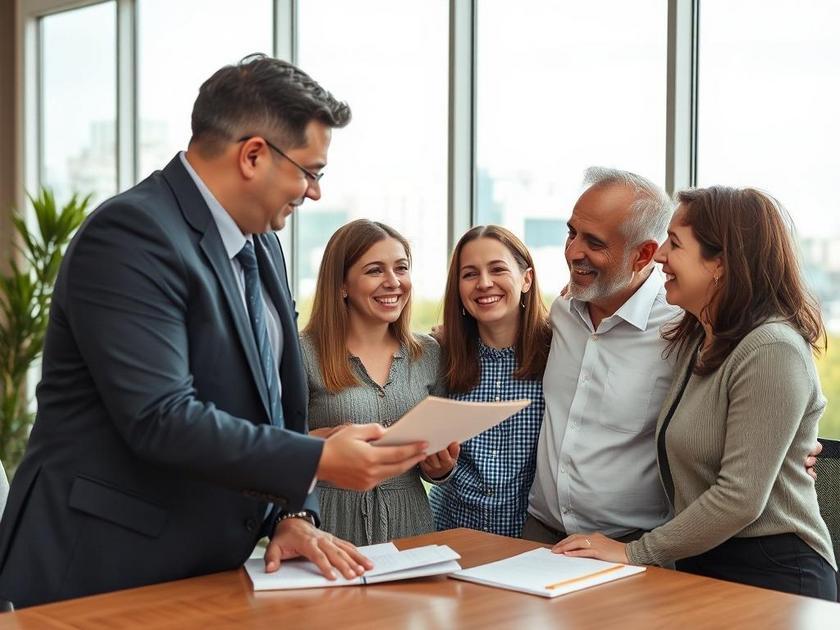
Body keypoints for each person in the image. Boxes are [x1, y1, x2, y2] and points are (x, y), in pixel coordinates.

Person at [0, 54, 429, 608]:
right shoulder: (130, 234)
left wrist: (294, 513)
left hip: (206, 572)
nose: (315, 192)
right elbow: (161, 417)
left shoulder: (262, 241)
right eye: (310, 171)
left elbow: (275, 405)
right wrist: (318, 461)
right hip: (100, 569)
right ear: (253, 155)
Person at [554, 186, 838, 601]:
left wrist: (634, 552)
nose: (661, 256)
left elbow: (741, 498)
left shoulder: (771, 348)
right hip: (699, 562)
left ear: (720, 263)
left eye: (675, 244)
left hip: (773, 572)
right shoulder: (695, 336)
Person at [524, 167, 679, 545]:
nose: (573, 251)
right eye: (571, 232)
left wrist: (793, 447)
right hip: (538, 534)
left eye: (594, 243)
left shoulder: (681, 328)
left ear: (643, 255)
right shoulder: (562, 311)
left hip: (629, 547)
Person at [300, 219, 456, 545]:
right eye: (374, 271)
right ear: (342, 284)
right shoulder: (302, 354)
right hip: (329, 527)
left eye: (401, 268)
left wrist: (439, 468)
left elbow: (436, 467)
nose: (393, 282)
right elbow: (280, 451)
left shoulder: (428, 353)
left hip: (412, 525)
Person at [429, 225, 551, 537]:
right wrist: (438, 471)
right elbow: (434, 466)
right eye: (469, 274)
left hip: (531, 545)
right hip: (451, 536)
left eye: (497, 269)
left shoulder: (560, 354)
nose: (484, 283)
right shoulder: (441, 356)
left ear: (526, 279)